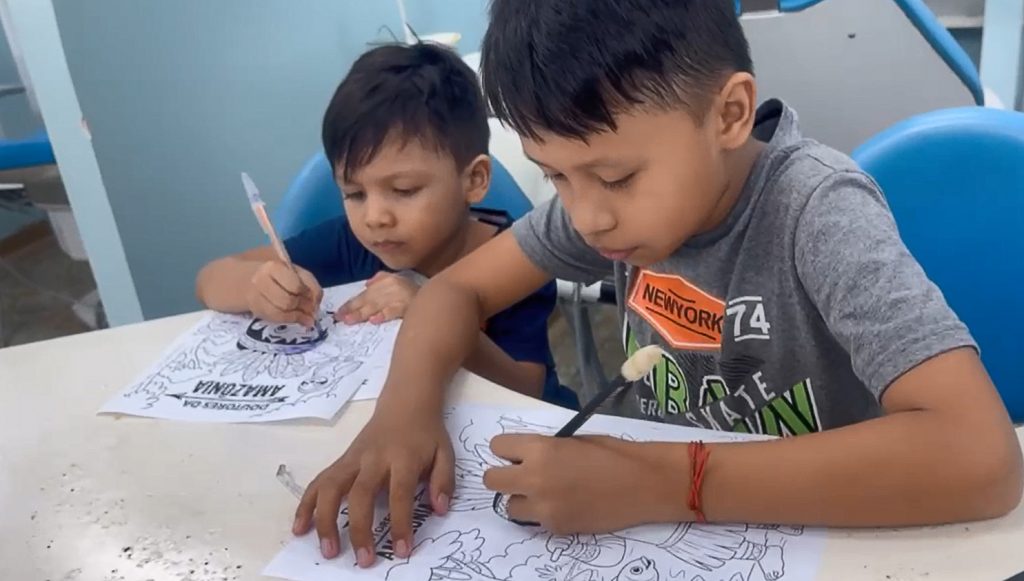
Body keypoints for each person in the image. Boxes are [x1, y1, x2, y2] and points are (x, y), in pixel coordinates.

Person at [293, 0, 1023, 568]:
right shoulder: (609, 204)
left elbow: (981, 459)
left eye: (615, 176)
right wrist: (403, 413)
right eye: (555, 176)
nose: (586, 213)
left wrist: (668, 482)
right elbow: (455, 291)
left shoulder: (816, 211)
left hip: (826, 533)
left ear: (729, 113)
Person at [195, 42, 577, 409]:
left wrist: (434, 317)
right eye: (354, 194)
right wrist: (259, 287)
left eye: (403, 190)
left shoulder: (512, 258)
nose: (375, 216)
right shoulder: (350, 243)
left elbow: (526, 390)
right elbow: (211, 277)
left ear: (474, 180)